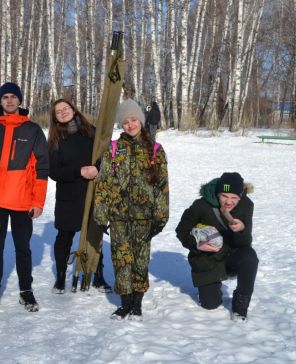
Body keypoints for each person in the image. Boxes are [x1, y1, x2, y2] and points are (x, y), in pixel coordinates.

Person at [0, 82, 49, 313]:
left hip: (22, 200)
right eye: (5, 97)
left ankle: (26, 290)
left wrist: (38, 201)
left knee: (22, 248)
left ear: (20, 100)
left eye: (13, 97)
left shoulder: (33, 130)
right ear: (0, 101)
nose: (9, 101)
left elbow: (42, 168)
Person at [93, 98, 169, 321]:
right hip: (119, 218)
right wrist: (101, 211)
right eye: (125, 121)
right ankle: (125, 303)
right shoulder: (114, 149)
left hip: (145, 217)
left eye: (134, 119)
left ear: (141, 120)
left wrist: (161, 216)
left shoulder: (155, 150)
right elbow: (104, 181)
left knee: (140, 260)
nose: (130, 125)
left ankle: (138, 303)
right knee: (121, 260)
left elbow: (162, 186)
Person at [47, 99, 112, 294]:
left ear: (74, 110)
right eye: (59, 111)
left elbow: (105, 156)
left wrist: (97, 168)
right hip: (68, 196)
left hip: (92, 193)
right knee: (65, 236)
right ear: (55, 117)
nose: (63, 112)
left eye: (66, 108)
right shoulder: (55, 140)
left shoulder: (91, 131)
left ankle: (97, 274)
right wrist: (79, 171)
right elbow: (54, 171)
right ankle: (60, 277)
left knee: (94, 235)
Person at [175, 172, 257, 322]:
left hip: (231, 255)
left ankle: (240, 306)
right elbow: (181, 231)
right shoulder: (200, 205)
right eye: (224, 196)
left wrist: (242, 229)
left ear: (241, 196)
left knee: (250, 257)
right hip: (207, 259)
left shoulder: (246, 205)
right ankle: (209, 287)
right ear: (218, 193)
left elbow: (244, 243)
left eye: (234, 198)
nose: (229, 202)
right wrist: (198, 245)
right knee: (210, 305)